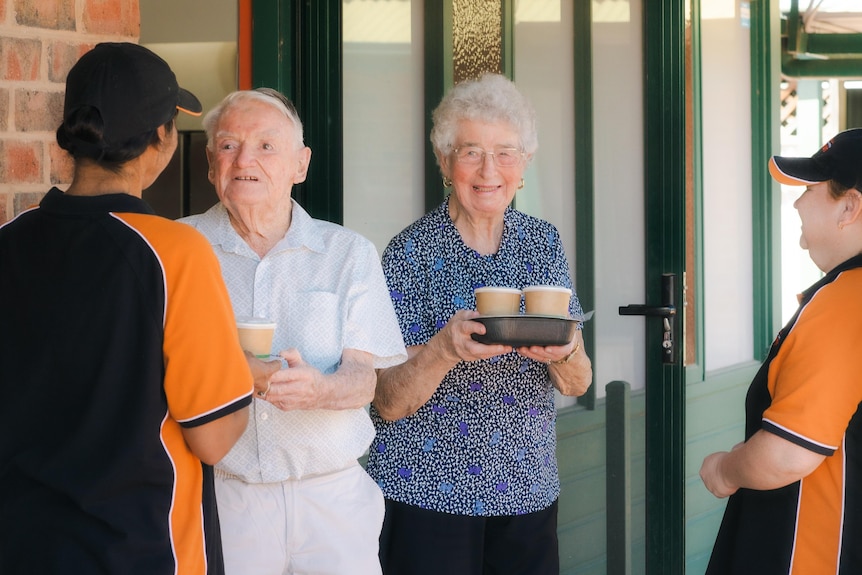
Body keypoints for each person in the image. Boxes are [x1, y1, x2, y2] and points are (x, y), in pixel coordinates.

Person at [0, 43, 253, 574]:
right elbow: (212, 438)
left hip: (22, 545)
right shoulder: (174, 251)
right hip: (140, 550)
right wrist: (245, 378)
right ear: (161, 140)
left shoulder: (8, 241)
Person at [366, 73, 593, 575]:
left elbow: (578, 381)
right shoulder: (409, 252)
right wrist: (443, 350)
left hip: (527, 489)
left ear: (525, 164)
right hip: (425, 491)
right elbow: (387, 401)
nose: (489, 169)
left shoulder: (541, 243)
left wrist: (566, 351)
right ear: (446, 163)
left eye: (505, 152)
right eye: (470, 151)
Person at [180, 87, 407, 575]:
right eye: (228, 145)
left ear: (300, 165)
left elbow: (366, 379)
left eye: (266, 145)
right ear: (209, 162)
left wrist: (323, 389)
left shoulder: (348, 253)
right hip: (224, 495)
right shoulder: (181, 249)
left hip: (333, 500)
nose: (244, 159)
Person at [700, 128, 862, 574]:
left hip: (809, 554)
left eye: (810, 190)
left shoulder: (845, 304)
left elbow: (789, 454)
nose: (796, 203)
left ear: (849, 207)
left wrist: (726, 470)